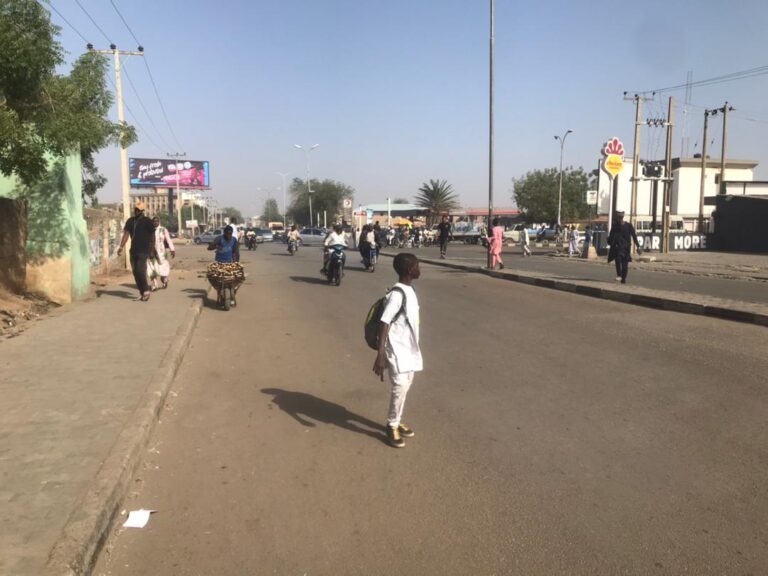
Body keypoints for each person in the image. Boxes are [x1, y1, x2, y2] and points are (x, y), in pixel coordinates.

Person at [372, 253, 422, 448]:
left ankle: (397, 418)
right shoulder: (397, 294)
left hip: (409, 347)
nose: (420, 269)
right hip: (396, 349)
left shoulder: (410, 290)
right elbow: (384, 323)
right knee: (399, 386)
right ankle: (391, 424)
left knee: (406, 385)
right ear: (410, 270)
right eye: (418, 266)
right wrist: (380, 354)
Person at [117, 201, 156, 301]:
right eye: (135, 209)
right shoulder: (130, 221)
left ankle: (146, 290)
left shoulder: (147, 221)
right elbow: (126, 234)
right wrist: (121, 247)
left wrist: (151, 250)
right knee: (135, 272)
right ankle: (142, 292)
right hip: (133, 251)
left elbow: (152, 236)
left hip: (143, 251)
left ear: (142, 211)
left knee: (140, 270)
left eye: (138, 209)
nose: (136, 211)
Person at [608, 211, 640, 284]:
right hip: (618, 247)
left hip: (626, 248)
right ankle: (619, 275)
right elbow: (611, 236)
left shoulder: (628, 225)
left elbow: (634, 236)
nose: (618, 219)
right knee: (618, 259)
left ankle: (623, 278)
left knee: (625, 264)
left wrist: (638, 246)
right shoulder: (615, 226)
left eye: (619, 217)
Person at [147, 216, 175, 290]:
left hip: (161, 252)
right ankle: (154, 284)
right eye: (153, 221)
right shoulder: (149, 230)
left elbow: (168, 240)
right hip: (151, 252)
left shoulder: (163, 230)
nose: (155, 222)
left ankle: (164, 280)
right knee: (151, 267)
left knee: (162, 268)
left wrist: (172, 249)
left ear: (159, 222)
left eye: (156, 221)